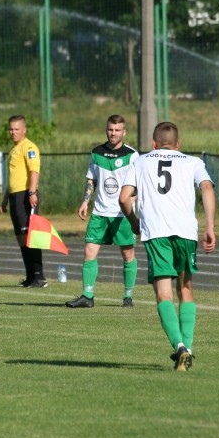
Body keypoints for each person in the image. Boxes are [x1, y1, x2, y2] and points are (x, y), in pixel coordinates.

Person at [118, 122, 216, 372]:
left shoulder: (139, 161)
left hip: (157, 232)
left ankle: (179, 346)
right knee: (186, 288)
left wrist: (134, 222)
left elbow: (124, 197)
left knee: (163, 294)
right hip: (185, 232)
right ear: (178, 144)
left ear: (153, 144)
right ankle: (189, 349)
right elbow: (206, 187)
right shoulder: (192, 162)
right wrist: (210, 227)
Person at [66, 115, 139, 309]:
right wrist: (85, 201)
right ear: (106, 130)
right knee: (89, 251)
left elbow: (138, 184)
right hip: (99, 211)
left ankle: (128, 296)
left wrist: (132, 202)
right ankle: (87, 296)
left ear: (124, 132)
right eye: (110, 130)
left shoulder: (132, 155)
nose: (113, 133)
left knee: (128, 255)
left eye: (117, 130)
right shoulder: (96, 152)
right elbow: (92, 180)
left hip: (122, 214)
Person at [0, 114, 46, 288]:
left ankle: (39, 277)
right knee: (21, 237)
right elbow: (13, 177)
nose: (13, 132)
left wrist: (32, 192)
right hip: (14, 197)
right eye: (11, 129)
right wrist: (5, 199)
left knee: (30, 236)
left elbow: (34, 171)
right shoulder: (14, 149)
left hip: (26, 195)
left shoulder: (29, 147)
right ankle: (29, 277)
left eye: (16, 129)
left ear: (24, 130)